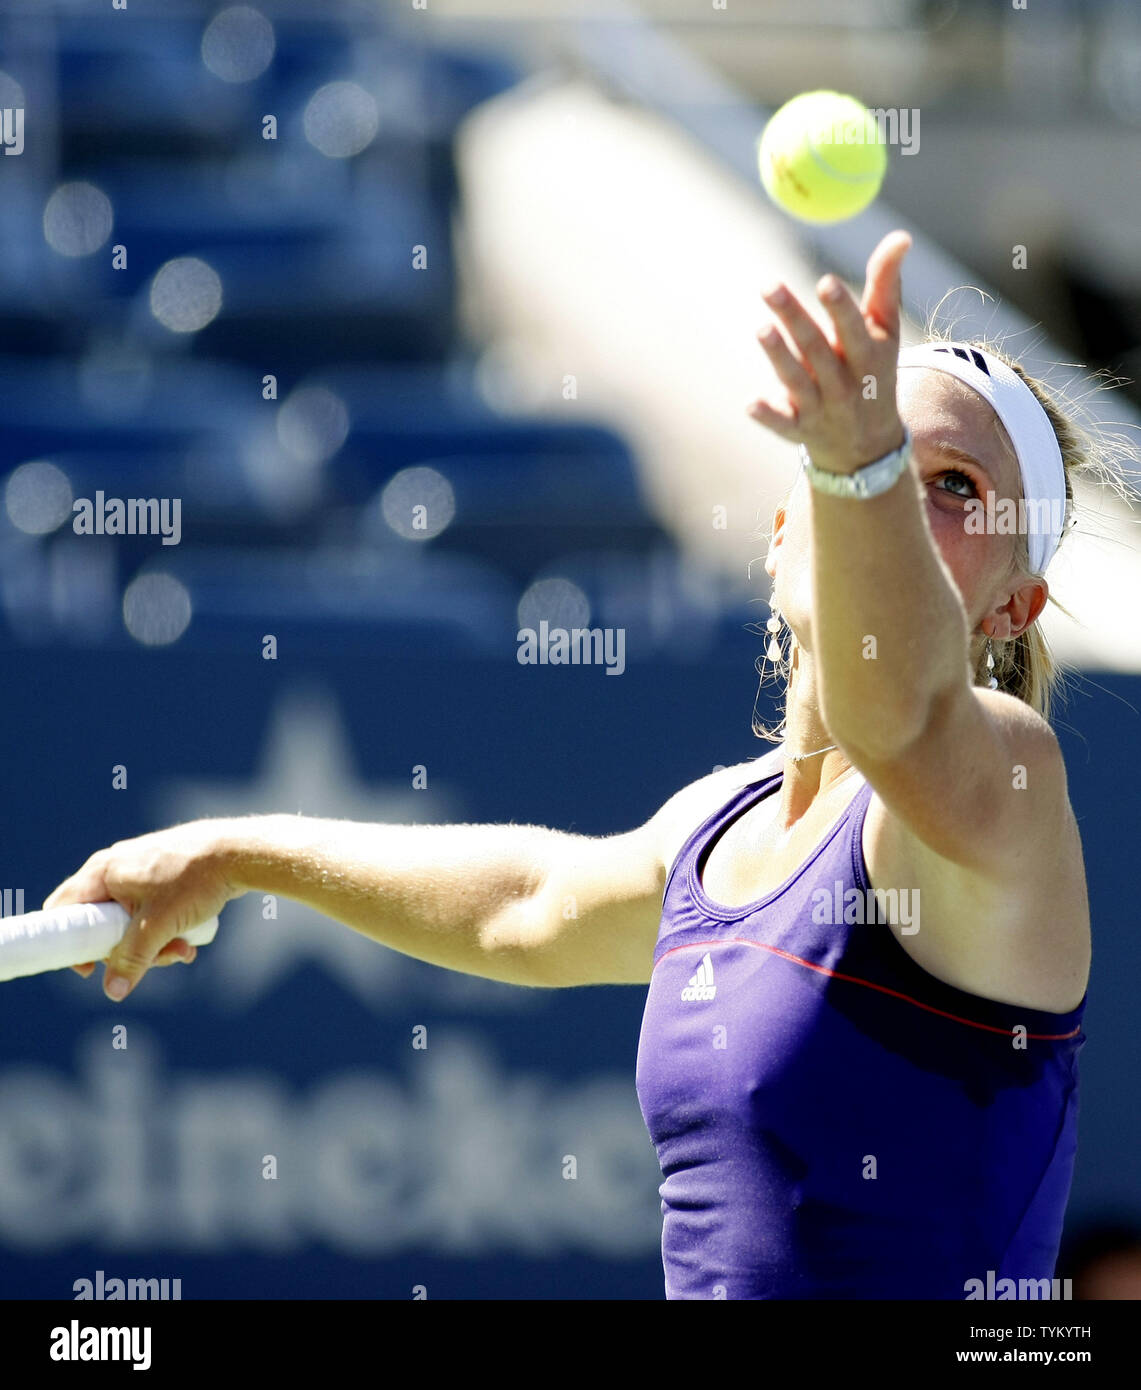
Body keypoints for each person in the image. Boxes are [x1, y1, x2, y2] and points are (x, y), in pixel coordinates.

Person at [46, 231, 1126, 1299]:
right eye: (876, 465)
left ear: (1011, 606)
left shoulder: (1001, 785)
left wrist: (863, 462)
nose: (898, 500)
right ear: (784, 523)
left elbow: (896, 708)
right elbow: (526, 902)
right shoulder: (718, 827)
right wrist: (232, 852)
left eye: (953, 488)